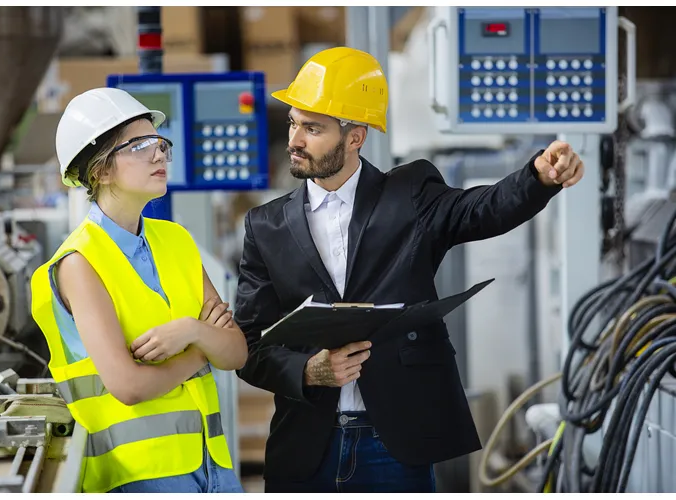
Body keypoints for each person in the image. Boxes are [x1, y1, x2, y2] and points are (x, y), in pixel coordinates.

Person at [233, 47, 585, 493]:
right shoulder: (265, 226)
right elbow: (248, 344)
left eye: (313, 128)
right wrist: (307, 370)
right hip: (306, 447)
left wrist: (538, 177)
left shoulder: (410, 193)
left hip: (395, 442)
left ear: (355, 137)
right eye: (293, 123)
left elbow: (481, 210)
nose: (294, 139)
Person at [29, 88, 248, 493]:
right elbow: (128, 386)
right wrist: (202, 351)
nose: (159, 155)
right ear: (101, 171)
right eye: (140, 146)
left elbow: (236, 353)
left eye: (160, 144)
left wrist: (192, 332)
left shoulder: (177, 241)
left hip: (213, 468)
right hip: (137, 477)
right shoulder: (80, 262)